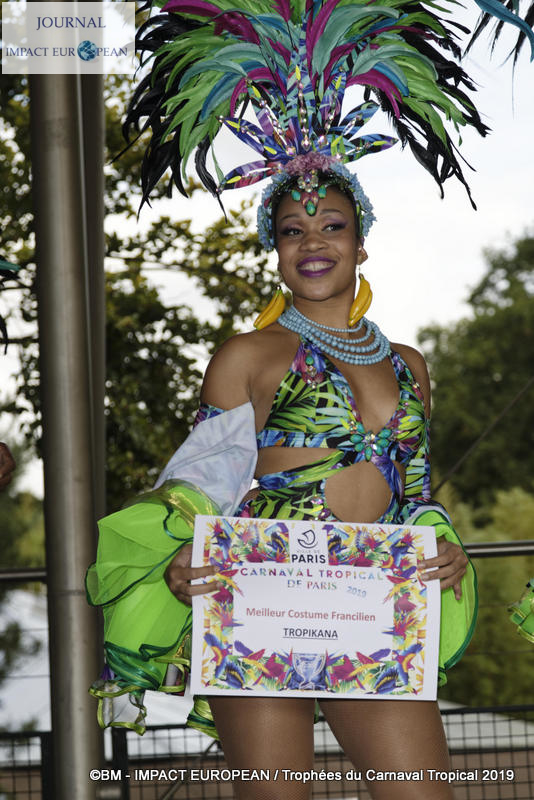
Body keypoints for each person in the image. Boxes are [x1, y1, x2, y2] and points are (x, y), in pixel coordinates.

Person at [162, 172, 470, 799]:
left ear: (361, 244)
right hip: (260, 593)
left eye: (332, 226)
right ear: (275, 251)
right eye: (291, 231)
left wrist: (442, 543)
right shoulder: (245, 356)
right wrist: (183, 547)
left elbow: (414, 496)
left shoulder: (409, 365)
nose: (312, 243)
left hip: (377, 599)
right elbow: (201, 482)